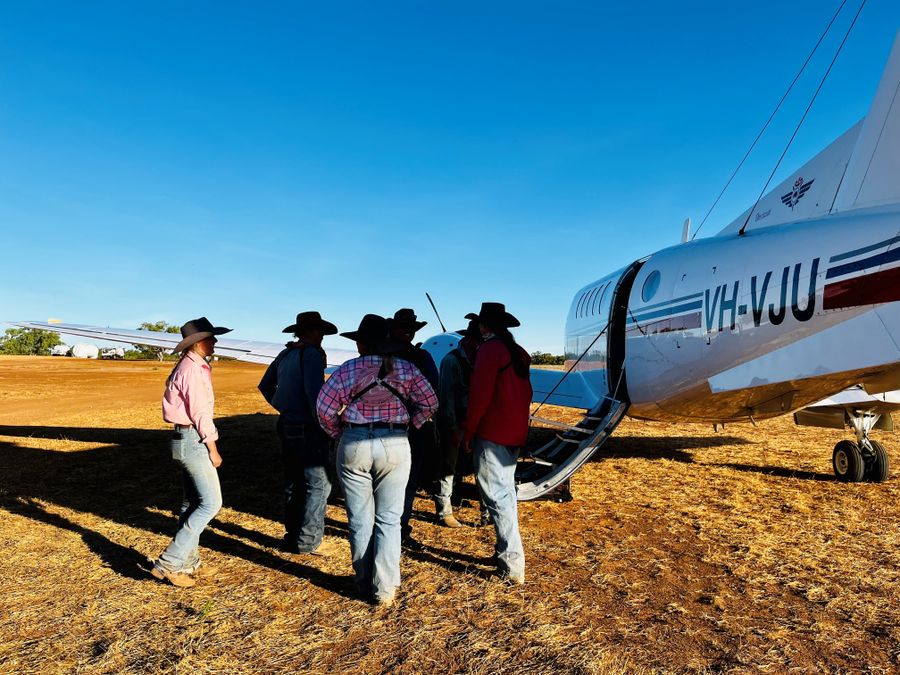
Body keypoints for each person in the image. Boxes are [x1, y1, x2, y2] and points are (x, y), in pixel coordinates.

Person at [316, 314, 438, 606]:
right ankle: (385, 587)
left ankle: (363, 579)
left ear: (360, 343)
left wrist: (338, 433)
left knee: (359, 518)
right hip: (395, 443)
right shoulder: (407, 368)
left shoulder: (348, 369)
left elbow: (324, 408)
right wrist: (412, 423)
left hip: (354, 442)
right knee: (389, 519)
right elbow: (431, 401)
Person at [152, 317, 232, 588]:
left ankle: (188, 561)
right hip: (194, 439)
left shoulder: (189, 366)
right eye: (210, 338)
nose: (215, 342)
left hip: (183, 438)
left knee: (191, 503)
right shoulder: (193, 371)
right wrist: (213, 447)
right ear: (197, 343)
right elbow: (200, 413)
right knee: (211, 503)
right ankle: (170, 562)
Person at [258, 311, 339, 556]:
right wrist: (326, 426)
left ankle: (293, 535)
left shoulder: (286, 353)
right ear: (313, 332)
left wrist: (283, 405)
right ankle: (309, 540)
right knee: (318, 484)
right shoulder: (311, 355)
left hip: (287, 423)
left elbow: (265, 385)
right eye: (320, 332)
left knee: (294, 482)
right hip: (308, 427)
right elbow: (315, 396)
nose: (323, 336)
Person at [463, 302, 532, 585]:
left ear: (483, 326)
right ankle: (506, 552)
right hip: (513, 433)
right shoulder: (518, 352)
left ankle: (512, 562)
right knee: (506, 494)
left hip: (492, 433)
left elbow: (479, 395)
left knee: (498, 497)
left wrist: (469, 432)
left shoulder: (490, 350)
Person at [388, 308, 439, 547]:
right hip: (410, 429)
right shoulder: (422, 358)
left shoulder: (376, 355)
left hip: (376, 430)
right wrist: (416, 423)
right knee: (407, 482)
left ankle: (381, 530)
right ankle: (398, 529)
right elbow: (433, 395)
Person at [434, 319, 482, 527]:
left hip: (474, 422)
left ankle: (485, 510)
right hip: (455, 422)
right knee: (447, 467)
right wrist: (451, 427)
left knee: (481, 466)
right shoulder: (451, 361)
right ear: (468, 340)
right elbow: (446, 398)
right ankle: (444, 511)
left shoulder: (480, 359)